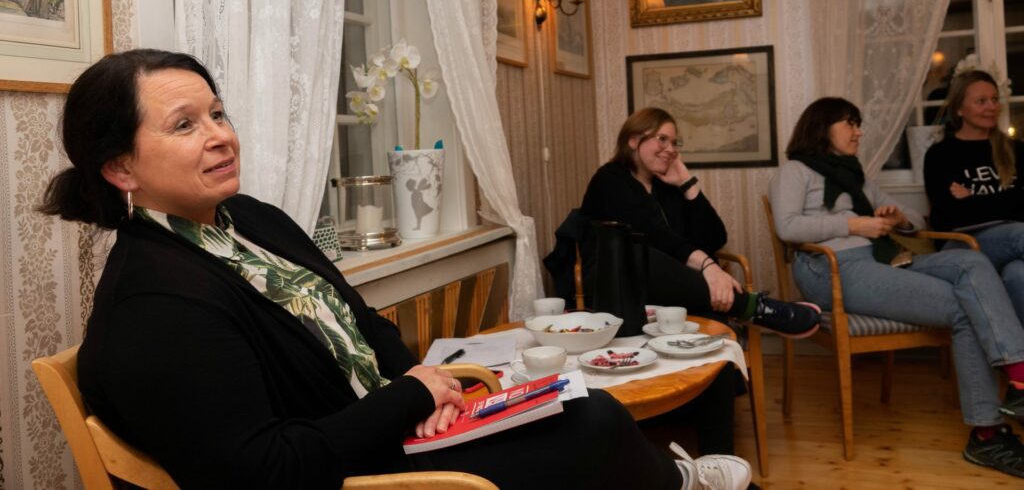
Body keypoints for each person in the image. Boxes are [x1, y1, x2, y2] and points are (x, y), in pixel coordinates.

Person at [39, 49, 751, 490]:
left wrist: (425, 385)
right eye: (185, 124)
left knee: (581, 405)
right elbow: (266, 471)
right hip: (358, 473)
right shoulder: (155, 303)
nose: (221, 135)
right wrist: (409, 396)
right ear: (120, 167)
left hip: (390, 426)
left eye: (218, 113)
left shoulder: (248, 218)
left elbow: (360, 318)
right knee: (592, 427)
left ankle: (673, 479)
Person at [770, 96, 1024, 479]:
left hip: (881, 261)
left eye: (858, 124)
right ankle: (987, 433)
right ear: (822, 127)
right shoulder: (794, 171)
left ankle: (1018, 376)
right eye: (850, 123)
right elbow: (787, 226)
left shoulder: (856, 176)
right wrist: (853, 225)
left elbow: (918, 219)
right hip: (832, 270)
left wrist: (898, 217)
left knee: (972, 262)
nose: (859, 132)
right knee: (964, 306)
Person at [579, 107, 820, 457]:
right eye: (662, 139)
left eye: (675, 143)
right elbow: (654, 237)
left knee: (715, 334)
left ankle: (719, 462)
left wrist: (687, 184)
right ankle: (751, 306)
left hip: (674, 289)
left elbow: (714, 237)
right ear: (633, 140)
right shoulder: (610, 180)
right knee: (640, 252)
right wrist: (708, 267)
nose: (670, 149)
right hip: (617, 287)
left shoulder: (665, 187)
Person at [924, 69, 1024, 324]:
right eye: (981, 101)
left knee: (1018, 273)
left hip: (1012, 242)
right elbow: (951, 216)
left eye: (994, 99)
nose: (991, 107)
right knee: (1020, 233)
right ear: (959, 109)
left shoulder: (1016, 150)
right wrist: (1011, 200)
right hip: (964, 244)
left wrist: (973, 200)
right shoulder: (940, 155)